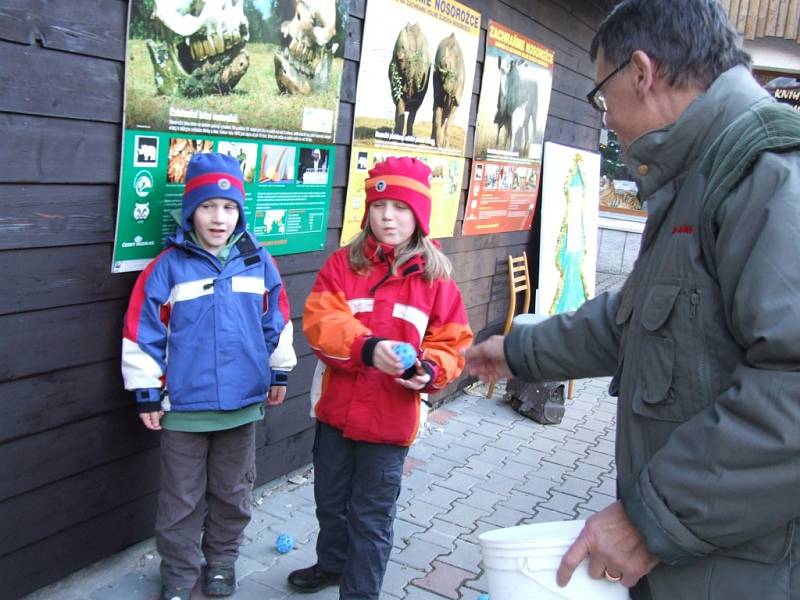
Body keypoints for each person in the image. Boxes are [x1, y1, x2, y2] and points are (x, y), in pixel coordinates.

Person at [464, 1, 800, 598]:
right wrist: (518, 351)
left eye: (601, 94)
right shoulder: (700, 174)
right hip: (697, 559)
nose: (607, 118)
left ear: (641, 72)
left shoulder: (768, 175)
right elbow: (635, 320)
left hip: (741, 571)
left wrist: (650, 520)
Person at [289, 156, 473, 599]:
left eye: (401, 207)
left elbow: (453, 342)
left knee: (371, 518)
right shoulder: (341, 265)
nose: (388, 216)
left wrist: (427, 370)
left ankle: (360, 592)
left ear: (419, 216)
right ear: (367, 210)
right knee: (331, 503)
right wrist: (368, 348)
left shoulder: (437, 280)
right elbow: (320, 323)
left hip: (391, 423)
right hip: (335, 413)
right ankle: (332, 564)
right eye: (379, 205)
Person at [121, 152, 297, 600]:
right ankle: (180, 574)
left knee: (233, 493)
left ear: (240, 210)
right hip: (183, 410)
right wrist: (146, 391)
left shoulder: (257, 261)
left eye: (229, 207)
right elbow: (143, 331)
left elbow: (276, 321)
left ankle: (220, 563)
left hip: (241, 407)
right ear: (190, 211)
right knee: (180, 501)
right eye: (207, 207)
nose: (219, 218)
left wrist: (279, 373)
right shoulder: (168, 267)